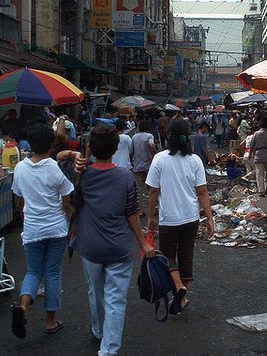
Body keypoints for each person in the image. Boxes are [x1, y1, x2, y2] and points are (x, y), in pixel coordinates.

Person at [70, 124, 154, 354]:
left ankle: (98, 329)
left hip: (90, 246)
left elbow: (57, 155)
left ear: (91, 147)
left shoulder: (82, 174)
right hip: (119, 247)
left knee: (95, 292)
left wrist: (80, 158)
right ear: (116, 147)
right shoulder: (125, 177)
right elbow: (132, 214)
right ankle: (109, 349)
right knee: (116, 300)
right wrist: (143, 242)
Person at [11, 124, 74, 339]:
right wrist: (67, 219)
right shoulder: (53, 167)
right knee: (53, 273)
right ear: (50, 146)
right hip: (55, 228)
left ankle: (24, 305)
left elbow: (19, 199)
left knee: (33, 271)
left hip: (32, 229)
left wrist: (24, 215)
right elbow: (67, 199)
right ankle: (50, 321)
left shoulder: (20, 168)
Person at [146, 119, 214, 315]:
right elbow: (202, 191)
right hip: (191, 217)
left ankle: (178, 287)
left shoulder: (159, 159)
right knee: (186, 256)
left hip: (169, 218)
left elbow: (152, 192)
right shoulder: (195, 161)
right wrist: (209, 217)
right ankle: (181, 299)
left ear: (169, 136)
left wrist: (151, 217)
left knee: (167, 255)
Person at [132, 121, 156, 215]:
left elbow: (131, 151)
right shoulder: (149, 136)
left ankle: (141, 211)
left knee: (139, 190)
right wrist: (152, 156)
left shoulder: (134, 137)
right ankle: (153, 209)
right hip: (148, 166)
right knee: (151, 189)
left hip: (137, 166)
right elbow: (152, 145)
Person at [250, 118, 267, 197]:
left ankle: (261, 191)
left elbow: (252, 146)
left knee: (259, 173)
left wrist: (250, 154)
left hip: (258, 154)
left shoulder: (256, 134)